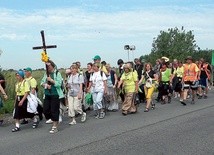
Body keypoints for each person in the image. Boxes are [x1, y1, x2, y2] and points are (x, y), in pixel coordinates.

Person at [41, 60, 64, 134]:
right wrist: (46, 85)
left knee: (54, 110)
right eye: (47, 67)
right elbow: (41, 82)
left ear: (53, 66)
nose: (48, 68)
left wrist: (51, 80)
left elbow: (58, 84)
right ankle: (53, 118)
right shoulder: (46, 74)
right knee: (45, 110)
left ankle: (55, 126)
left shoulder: (57, 73)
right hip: (47, 94)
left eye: (49, 66)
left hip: (55, 94)